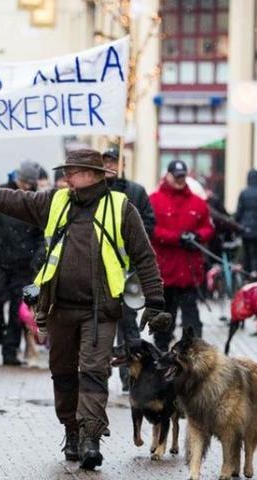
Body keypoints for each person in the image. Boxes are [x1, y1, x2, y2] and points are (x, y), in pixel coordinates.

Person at [0, 149, 170, 470]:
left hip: (100, 309)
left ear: (93, 174)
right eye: (66, 172)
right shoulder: (55, 202)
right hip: (59, 307)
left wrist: (155, 301)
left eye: (73, 171)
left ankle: (91, 437)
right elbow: (10, 200)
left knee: (93, 372)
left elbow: (145, 257)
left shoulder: (122, 209)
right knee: (63, 374)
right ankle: (71, 431)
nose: (67, 177)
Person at [0, 160, 44, 366]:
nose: (27, 186)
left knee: (17, 309)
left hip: (24, 262)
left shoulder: (38, 200)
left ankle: (10, 350)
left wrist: (37, 256)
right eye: (24, 181)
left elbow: (42, 234)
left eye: (31, 183)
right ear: (16, 177)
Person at [102, 146, 156, 392]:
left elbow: (149, 222)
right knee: (100, 325)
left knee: (128, 325)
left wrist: (130, 230)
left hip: (128, 272)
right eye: (105, 162)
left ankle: (131, 376)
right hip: (101, 272)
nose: (109, 167)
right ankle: (98, 375)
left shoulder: (135, 191)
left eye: (113, 162)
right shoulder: (94, 192)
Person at [149, 159, 214, 351]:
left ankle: (194, 356)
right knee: (164, 321)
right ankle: (161, 358)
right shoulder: (154, 200)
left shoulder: (198, 203)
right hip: (165, 272)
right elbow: (151, 230)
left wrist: (197, 236)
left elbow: (208, 227)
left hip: (189, 271)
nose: (179, 180)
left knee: (191, 319)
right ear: (167, 175)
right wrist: (177, 238)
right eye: (176, 176)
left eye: (182, 176)